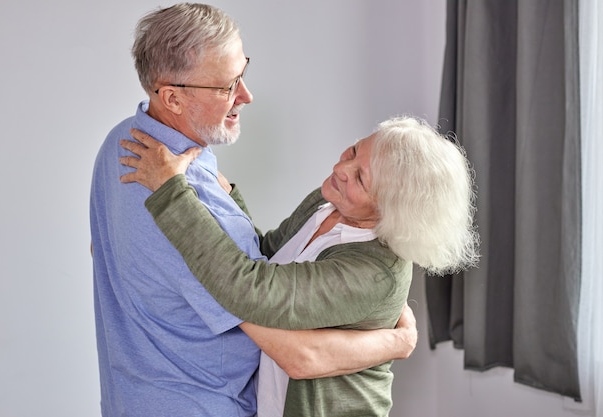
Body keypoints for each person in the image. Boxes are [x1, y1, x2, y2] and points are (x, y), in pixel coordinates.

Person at [90, 3, 418, 417]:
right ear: (172, 97)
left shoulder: (122, 143)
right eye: (227, 85)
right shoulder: (172, 194)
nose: (246, 95)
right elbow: (266, 315)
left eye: (243, 72)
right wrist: (395, 343)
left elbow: (254, 258)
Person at [118, 115, 480, 417]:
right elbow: (267, 257)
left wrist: (170, 193)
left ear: (393, 211)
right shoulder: (327, 203)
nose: (341, 168)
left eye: (361, 179)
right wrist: (226, 199)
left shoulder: (373, 273)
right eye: (354, 151)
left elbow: (252, 291)